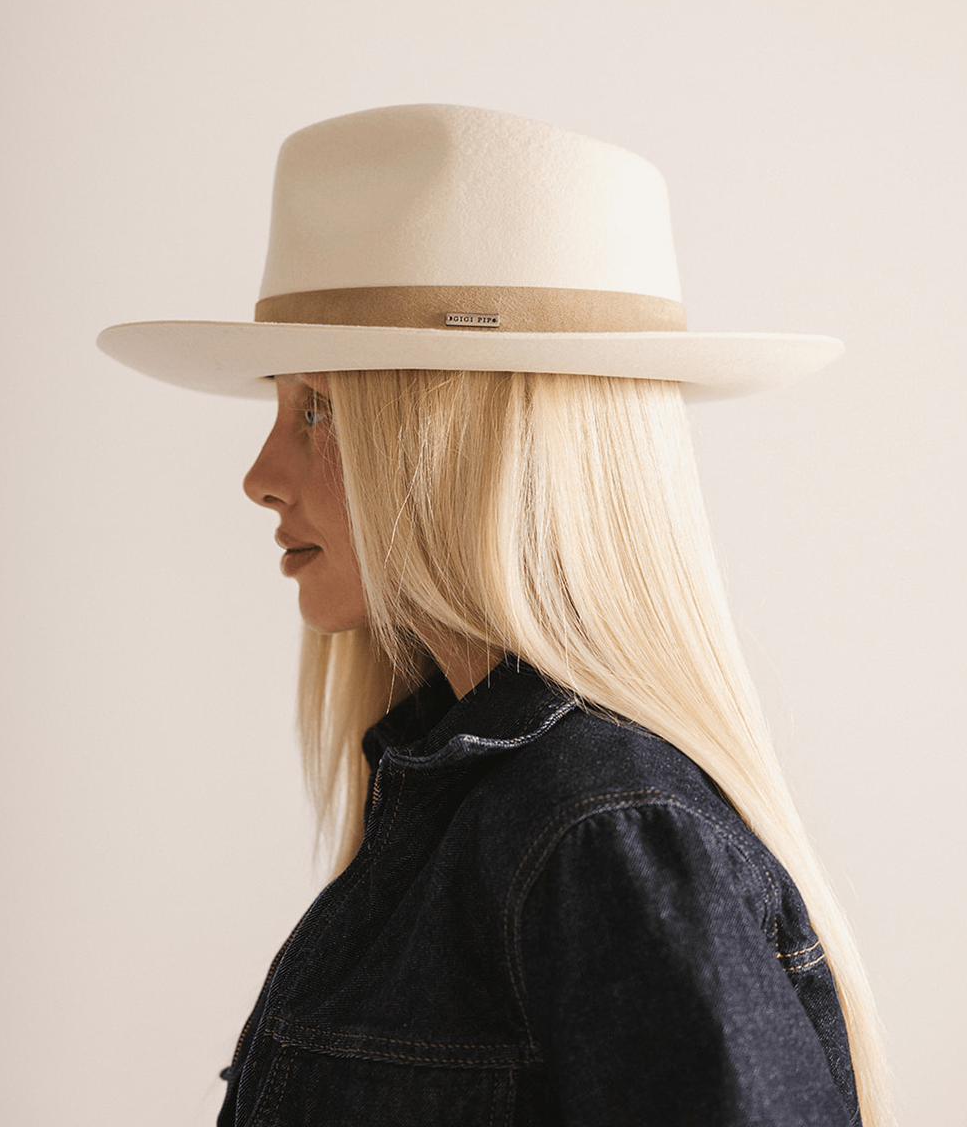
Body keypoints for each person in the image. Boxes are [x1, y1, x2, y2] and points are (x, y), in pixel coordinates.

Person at [99, 105, 892, 1126]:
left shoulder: (601, 833)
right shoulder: (482, 809)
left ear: (468, 435)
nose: (261, 476)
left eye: (317, 408)